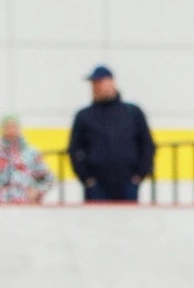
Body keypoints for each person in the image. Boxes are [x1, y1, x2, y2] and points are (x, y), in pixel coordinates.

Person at [68, 65, 155, 203]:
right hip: (97, 187)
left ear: (112, 82)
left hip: (127, 183)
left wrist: (139, 175)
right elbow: (74, 149)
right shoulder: (84, 116)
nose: (96, 87)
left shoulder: (133, 113)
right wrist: (87, 179)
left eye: (100, 82)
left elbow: (147, 144)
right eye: (94, 84)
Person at [1, 115, 55, 204]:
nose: (11, 131)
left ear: (19, 129)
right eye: (7, 127)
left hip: (26, 207)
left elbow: (49, 178)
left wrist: (38, 191)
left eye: (14, 126)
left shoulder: (32, 153)